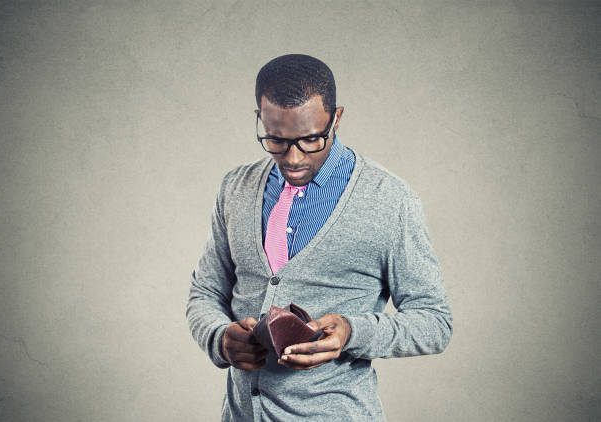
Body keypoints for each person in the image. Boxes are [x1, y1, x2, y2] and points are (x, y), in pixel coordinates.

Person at [186, 54, 452, 421]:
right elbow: (205, 294)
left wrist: (351, 331)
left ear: (336, 118)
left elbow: (434, 322)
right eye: (276, 140)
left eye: (311, 139)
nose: (293, 158)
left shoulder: (390, 200)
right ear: (259, 118)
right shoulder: (236, 188)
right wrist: (219, 339)